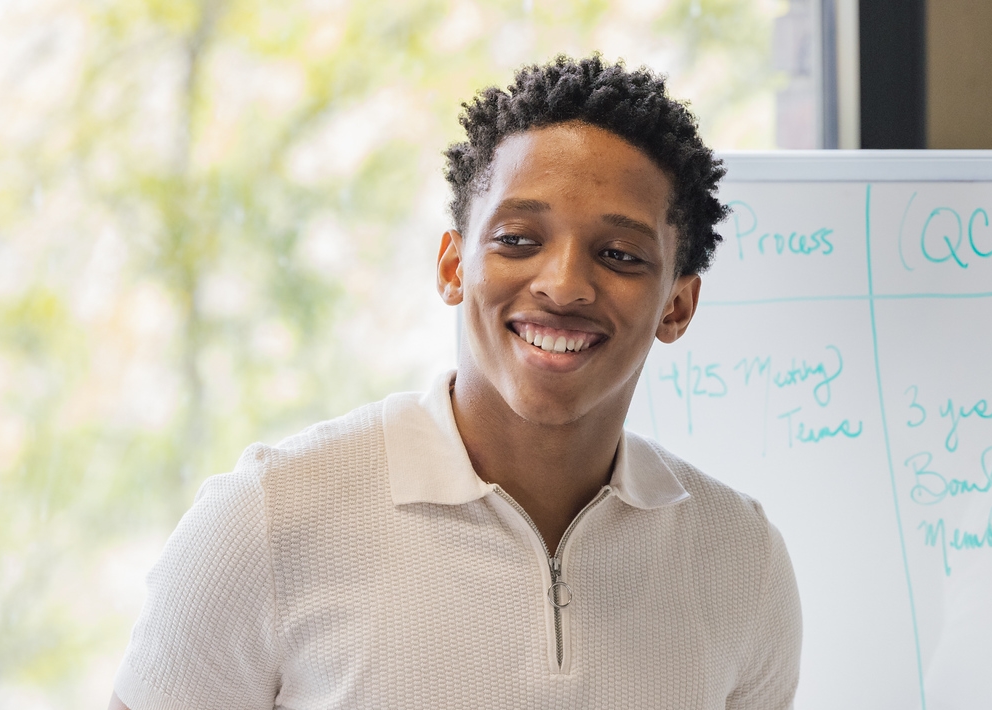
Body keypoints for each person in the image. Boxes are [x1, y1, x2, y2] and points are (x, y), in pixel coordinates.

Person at [109, 55, 802, 710]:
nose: (562, 284)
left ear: (677, 305)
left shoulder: (742, 560)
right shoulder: (264, 520)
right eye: (518, 240)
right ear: (452, 267)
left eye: (619, 254)